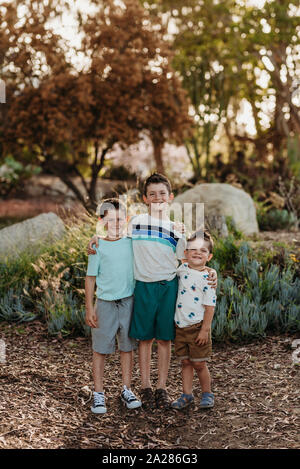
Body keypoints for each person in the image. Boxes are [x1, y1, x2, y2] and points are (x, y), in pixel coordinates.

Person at [88, 173, 217, 410]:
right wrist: (96, 237)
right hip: (144, 287)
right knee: (145, 339)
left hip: (168, 287)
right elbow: (114, 234)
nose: (157, 198)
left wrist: (210, 270)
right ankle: (146, 386)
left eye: (162, 193)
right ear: (145, 198)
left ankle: (161, 388)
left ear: (171, 197)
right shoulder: (136, 222)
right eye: (152, 194)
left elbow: (190, 260)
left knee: (165, 339)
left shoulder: (177, 230)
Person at [85, 198, 141, 414]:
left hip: (128, 302)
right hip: (105, 304)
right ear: (103, 221)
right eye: (111, 219)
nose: (116, 223)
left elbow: (151, 227)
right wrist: (90, 308)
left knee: (127, 347)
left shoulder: (131, 242)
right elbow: (90, 278)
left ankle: (127, 389)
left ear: (125, 219)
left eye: (120, 219)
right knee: (101, 349)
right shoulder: (98, 246)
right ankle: (98, 393)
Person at [171, 230, 216, 411]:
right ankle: (187, 394)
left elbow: (210, 307)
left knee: (199, 363)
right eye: (193, 249)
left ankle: (207, 392)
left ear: (209, 256)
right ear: (186, 253)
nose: (198, 253)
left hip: (198, 328)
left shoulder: (208, 279)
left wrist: (205, 329)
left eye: (203, 250)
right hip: (180, 326)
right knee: (185, 362)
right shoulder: (181, 270)